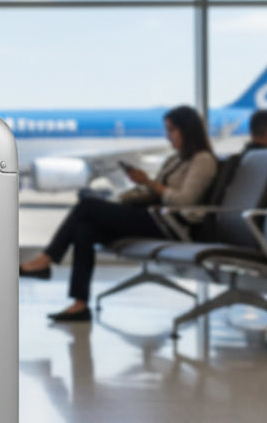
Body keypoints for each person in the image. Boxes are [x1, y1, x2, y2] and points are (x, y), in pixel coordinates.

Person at [19, 105, 218, 323]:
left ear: (187, 130)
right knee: (85, 229)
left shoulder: (203, 160)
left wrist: (149, 182)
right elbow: (157, 193)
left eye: (171, 130)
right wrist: (138, 189)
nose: (167, 136)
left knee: (87, 206)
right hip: (155, 217)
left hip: (173, 225)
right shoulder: (175, 160)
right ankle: (79, 305)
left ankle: (46, 259)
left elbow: (184, 202)